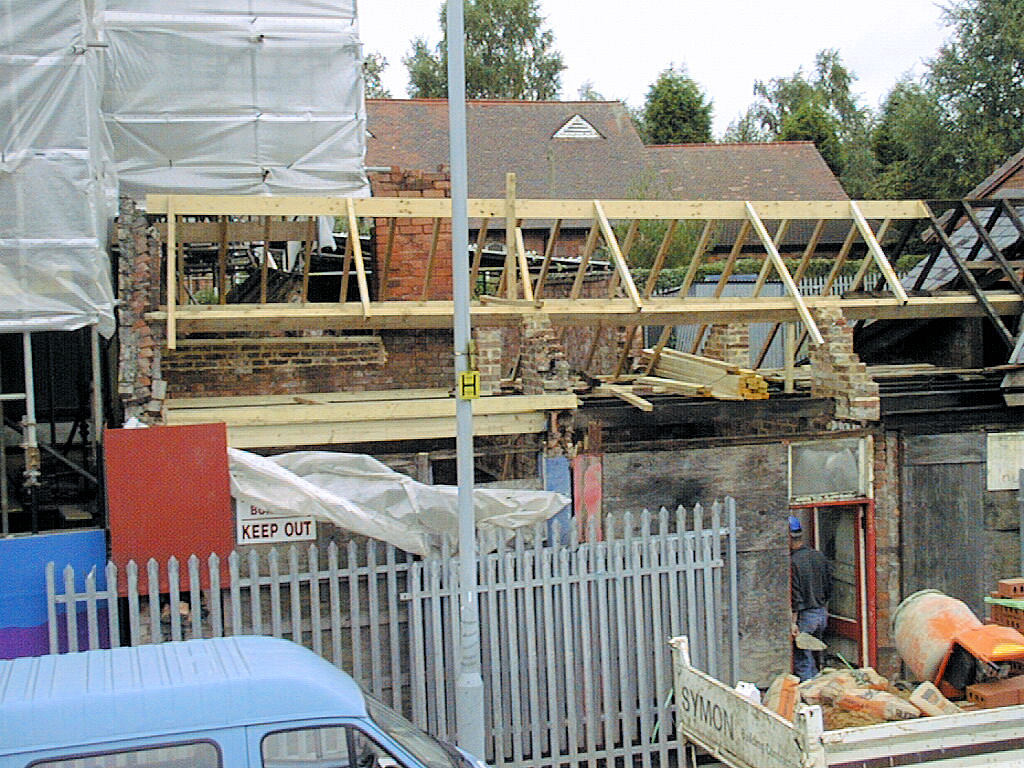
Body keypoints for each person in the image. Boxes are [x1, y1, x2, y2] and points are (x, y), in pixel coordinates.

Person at [789, 514, 832, 681]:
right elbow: (829, 585)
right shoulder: (818, 556)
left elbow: (795, 595)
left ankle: (810, 696)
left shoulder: (792, 562)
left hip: (805, 617)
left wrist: (793, 622)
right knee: (816, 657)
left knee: (803, 660)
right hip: (821, 614)